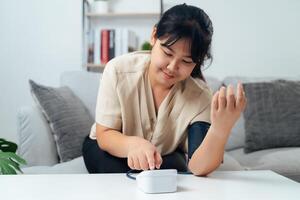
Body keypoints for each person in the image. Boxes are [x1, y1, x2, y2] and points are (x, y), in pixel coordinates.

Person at [82, 3, 247, 175]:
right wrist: (134, 144)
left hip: (160, 154)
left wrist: (221, 128)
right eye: (167, 53)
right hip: (109, 148)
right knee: (117, 171)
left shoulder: (200, 96)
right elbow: (105, 135)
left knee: (174, 170)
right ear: (154, 36)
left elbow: (198, 168)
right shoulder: (118, 70)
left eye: (186, 61)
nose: (172, 67)